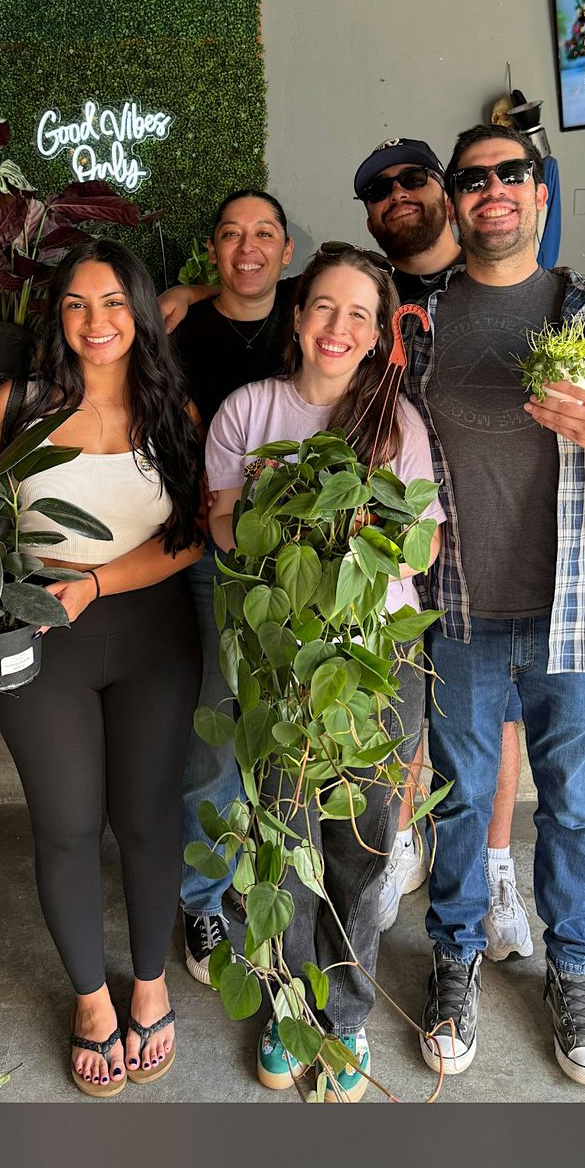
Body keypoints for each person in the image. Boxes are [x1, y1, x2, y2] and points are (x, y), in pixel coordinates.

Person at [383, 124, 585, 1087]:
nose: (493, 191)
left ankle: (575, 969)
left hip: (574, 614)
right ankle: (456, 958)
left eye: (512, 173)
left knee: (575, 804)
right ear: (454, 203)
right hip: (457, 609)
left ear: (540, 194)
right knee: (464, 799)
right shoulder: (418, 322)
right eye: (473, 180)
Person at [0, 240, 204, 1097]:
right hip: (38, 638)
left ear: (143, 312)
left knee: (151, 819)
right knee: (66, 825)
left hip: (152, 633)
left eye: (115, 302)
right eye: (79, 304)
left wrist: (96, 583)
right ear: (58, 315)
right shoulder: (16, 408)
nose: (97, 321)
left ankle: (151, 984)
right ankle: (92, 1000)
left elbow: (189, 534)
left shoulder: (173, 412)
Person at [206, 244, 443, 1101]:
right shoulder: (246, 411)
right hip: (277, 665)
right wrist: (292, 530)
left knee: (365, 844)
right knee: (287, 837)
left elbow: (425, 541)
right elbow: (226, 524)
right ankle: (285, 1006)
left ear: (379, 334)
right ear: (297, 316)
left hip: (377, 659)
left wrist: (353, 537)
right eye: (323, 307)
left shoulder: (397, 424)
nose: (337, 327)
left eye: (359, 314)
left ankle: (342, 1016)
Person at [354, 138, 531, 959]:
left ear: (448, 194)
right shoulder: (366, 288)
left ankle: (496, 863)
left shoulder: (500, 278)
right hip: (394, 532)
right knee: (401, 695)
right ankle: (399, 840)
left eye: (414, 179)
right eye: (379, 189)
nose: (399, 195)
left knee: (494, 711)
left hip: (490, 536)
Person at [166, 190, 295, 985]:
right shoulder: (179, 328)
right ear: (211, 250)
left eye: (264, 234)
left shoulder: (315, 317)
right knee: (214, 736)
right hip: (209, 554)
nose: (247, 247)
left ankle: (282, 891)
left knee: (287, 731)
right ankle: (203, 898)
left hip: (299, 559)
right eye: (230, 234)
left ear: (287, 250)